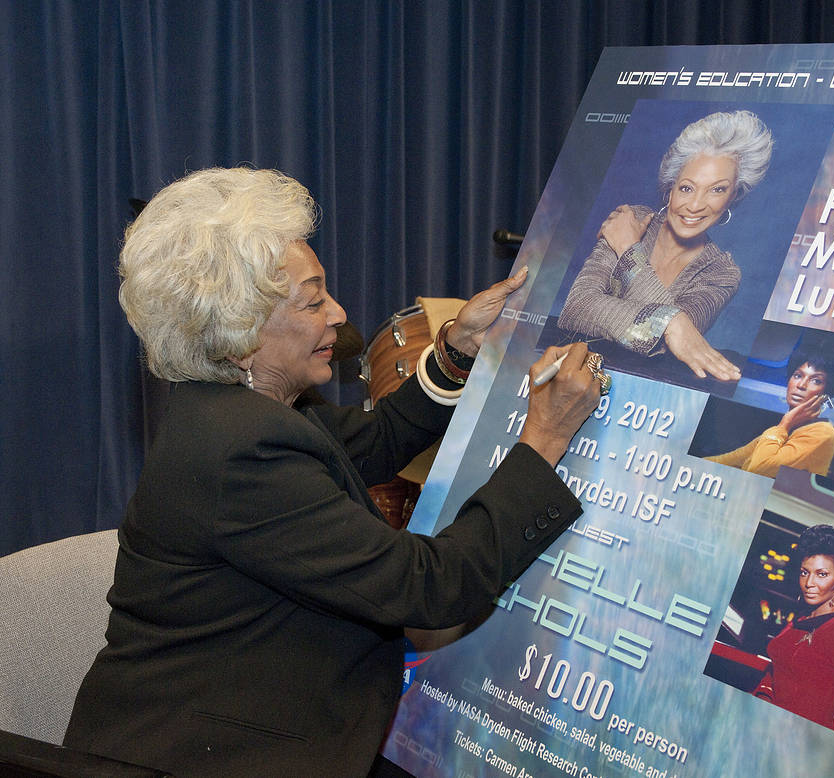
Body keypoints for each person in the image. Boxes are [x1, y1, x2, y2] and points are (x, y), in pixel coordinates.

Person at [62, 167, 605, 777]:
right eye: (313, 300)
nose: (339, 313)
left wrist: (456, 349)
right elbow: (430, 586)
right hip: (213, 755)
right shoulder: (241, 450)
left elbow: (373, 443)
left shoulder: (234, 408)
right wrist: (544, 439)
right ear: (241, 333)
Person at [557, 110, 773, 382]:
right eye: (686, 188)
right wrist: (671, 322)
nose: (695, 205)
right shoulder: (631, 219)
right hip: (571, 373)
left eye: (717, 189)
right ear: (670, 189)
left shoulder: (722, 273)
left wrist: (627, 249)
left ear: (733, 196)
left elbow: (665, 346)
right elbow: (576, 308)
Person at [754, 524, 834, 742]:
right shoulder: (803, 616)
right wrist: (763, 694)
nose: (809, 583)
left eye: (821, 574)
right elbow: (777, 666)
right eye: (805, 572)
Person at [705, 340, 834, 478]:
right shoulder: (786, 429)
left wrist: (784, 424)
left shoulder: (822, 433)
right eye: (798, 375)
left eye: (816, 380)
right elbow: (732, 458)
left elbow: (758, 470)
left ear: (827, 393)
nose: (801, 385)